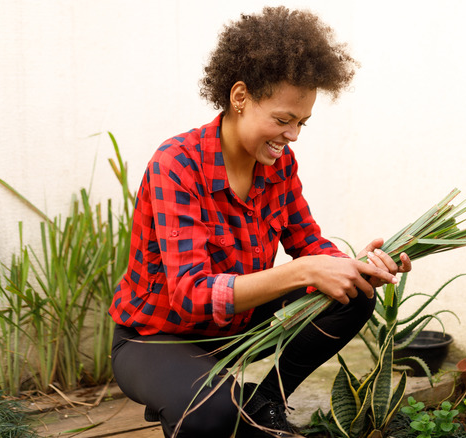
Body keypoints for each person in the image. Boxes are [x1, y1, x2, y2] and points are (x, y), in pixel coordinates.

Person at [108, 6, 411, 438]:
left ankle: (265, 399)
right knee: (211, 415)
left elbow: (310, 244)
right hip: (157, 337)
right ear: (239, 98)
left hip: (235, 326)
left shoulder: (279, 164)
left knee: (352, 297)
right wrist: (302, 270)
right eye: (283, 119)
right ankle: (197, 395)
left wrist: (356, 266)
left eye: (301, 122)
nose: (292, 135)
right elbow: (191, 294)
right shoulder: (176, 164)